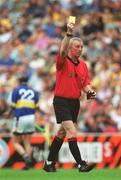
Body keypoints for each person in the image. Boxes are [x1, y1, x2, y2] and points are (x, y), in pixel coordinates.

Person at [43, 20, 96, 172]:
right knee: (72, 131)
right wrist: (68, 34)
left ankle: (49, 163)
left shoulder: (83, 65)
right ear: (70, 48)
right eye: (77, 47)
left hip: (75, 103)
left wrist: (90, 91)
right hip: (61, 101)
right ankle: (81, 164)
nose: (80, 49)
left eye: (81, 47)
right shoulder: (62, 61)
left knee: (61, 132)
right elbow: (61, 50)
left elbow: (85, 84)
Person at [7, 75, 39, 169]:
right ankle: (27, 164)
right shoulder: (33, 91)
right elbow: (36, 106)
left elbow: (13, 106)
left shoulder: (16, 90)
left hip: (20, 117)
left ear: (19, 82)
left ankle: (25, 157)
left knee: (15, 141)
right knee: (27, 142)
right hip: (31, 117)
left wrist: (8, 114)